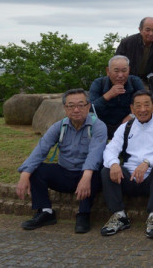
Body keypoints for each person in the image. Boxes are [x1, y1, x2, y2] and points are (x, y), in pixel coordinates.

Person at [16, 89, 107, 233]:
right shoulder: (59, 126)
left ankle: (83, 214)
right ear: (65, 108)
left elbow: (95, 154)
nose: (76, 109)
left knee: (97, 171)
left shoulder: (98, 126)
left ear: (88, 106)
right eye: (71, 106)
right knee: (36, 170)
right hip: (65, 172)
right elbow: (41, 148)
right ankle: (45, 212)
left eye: (81, 105)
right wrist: (25, 174)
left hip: (87, 174)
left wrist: (86, 176)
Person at [100, 90, 153, 238]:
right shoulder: (125, 127)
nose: (143, 110)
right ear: (132, 109)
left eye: (147, 105)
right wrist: (114, 163)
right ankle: (120, 215)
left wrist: (147, 162)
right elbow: (110, 149)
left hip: (151, 180)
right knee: (106, 169)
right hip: (127, 178)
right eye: (138, 106)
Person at [115, 17, 153, 120]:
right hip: (128, 83)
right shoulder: (127, 42)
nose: (151, 33)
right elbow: (115, 65)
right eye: (147, 30)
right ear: (140, 29)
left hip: (150, 84)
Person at [89, 55, 145, 138]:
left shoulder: (135, 82)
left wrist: (132, 115)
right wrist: (107, 95)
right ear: (108, 71)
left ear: (129, 70)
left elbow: (143, 103)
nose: (120, 75)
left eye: (124, 70)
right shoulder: (99, 83)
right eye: (116, 71)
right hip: (103, 126)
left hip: (129, 124)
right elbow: (90, 108)